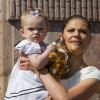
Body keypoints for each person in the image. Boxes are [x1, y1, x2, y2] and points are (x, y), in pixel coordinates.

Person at [19, 15, 100, 100]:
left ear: (90, 39)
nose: (76, 34)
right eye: (71, 30)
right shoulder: (48, 67)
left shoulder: (94, 74)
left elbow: (66, 98)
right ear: (61, 37)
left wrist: (38, 69)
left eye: (83, 31)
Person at [4, 8, 67, 100]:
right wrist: (51, 48)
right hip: (27, 88)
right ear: (23, 32)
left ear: (46, 31)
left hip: (37, 84)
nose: (36, 32)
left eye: (40, 29)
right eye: (31, 29)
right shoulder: (30, 45)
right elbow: (37, 64)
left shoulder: (42, 45)